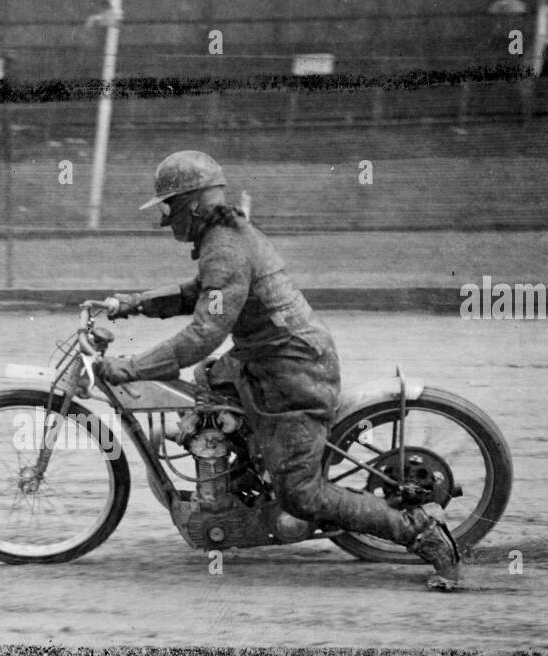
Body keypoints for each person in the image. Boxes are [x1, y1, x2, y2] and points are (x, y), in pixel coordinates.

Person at [94, 150, 462, 590]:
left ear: (193, 204)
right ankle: (246, 473)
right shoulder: (224, 238)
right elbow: (201, 293)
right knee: (208, 381)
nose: (165, 219)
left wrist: (133, 366)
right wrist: (134, 303)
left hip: (293, 372)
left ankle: (422, 533)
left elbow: (204, 333)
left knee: (301, 494)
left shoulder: (226, 248)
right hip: (268, 357)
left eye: (168, 207)